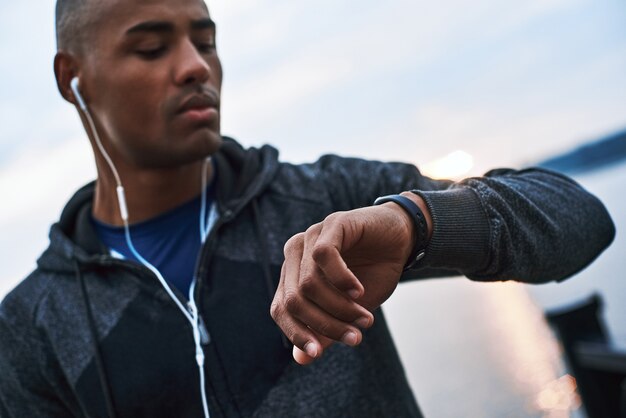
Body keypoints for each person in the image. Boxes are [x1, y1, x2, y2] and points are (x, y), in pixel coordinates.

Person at [0, 0, 615, 416]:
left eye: (205, 41)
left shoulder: (321, 201)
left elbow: (581, 217)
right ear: (72, 77)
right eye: (153, 48)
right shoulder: (32, 326)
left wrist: (415, 223)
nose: (196, 67)